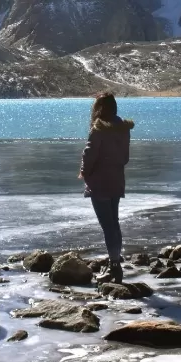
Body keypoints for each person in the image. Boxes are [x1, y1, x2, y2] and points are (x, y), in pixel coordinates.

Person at [78, 91, 135, 284]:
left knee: (107, 226)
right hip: (117, 179)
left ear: (99, 108)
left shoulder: (98, 128)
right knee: (114, 223)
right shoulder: (123, 128)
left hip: (100, 182)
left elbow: (89, 154)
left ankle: (114, 267)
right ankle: (115, 264)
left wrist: (85, 172)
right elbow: (125, 158)